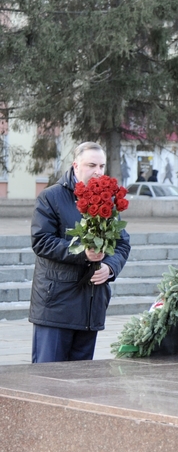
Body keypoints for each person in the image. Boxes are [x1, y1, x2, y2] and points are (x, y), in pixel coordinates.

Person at [29, 141, 131, 363]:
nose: (98, 171)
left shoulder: (109, 201)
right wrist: (82, 253)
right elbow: (41, 241)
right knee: (47, 382)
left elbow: (122, 244)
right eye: (91, 165)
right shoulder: (51, 197)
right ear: (76, 166)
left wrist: (110, 267)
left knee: (79, 386)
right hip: (56, 307)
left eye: (102, 166)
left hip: (90, 307)